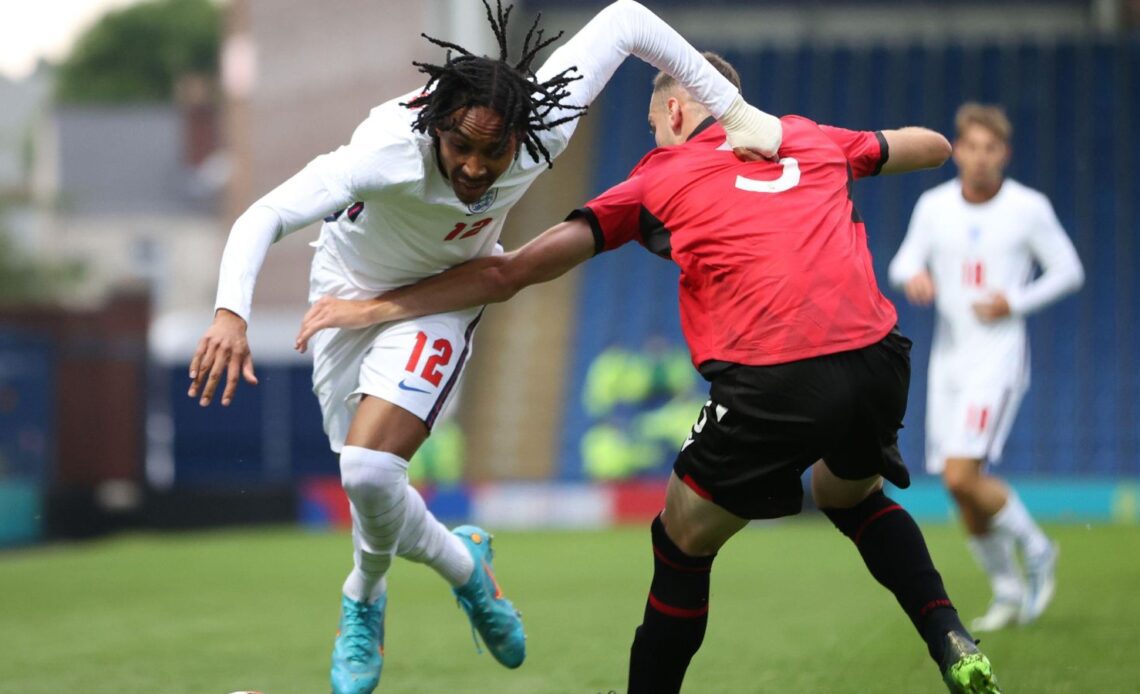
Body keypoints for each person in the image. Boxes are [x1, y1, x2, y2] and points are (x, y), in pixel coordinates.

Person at [295, 53, 1003, 694]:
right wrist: (834, 150)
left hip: (777, 377)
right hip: (879, 357)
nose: (656, 136)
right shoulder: (805, 135)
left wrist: (378, 306)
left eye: (655, 123)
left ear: (674, 109)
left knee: (681, 540)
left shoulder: (659, 176)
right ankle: (952, 641)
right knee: (850, 496)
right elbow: (934, 147)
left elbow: (510, 273)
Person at [186, 2, 782, 692]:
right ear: (435, 127)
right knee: (370, 479)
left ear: (519, 136)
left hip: (444, 294)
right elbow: (264, 214)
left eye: (492, 152)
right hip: (344, 292)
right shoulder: (384, 151)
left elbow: (625, 19)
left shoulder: (541, 127)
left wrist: (734, 114)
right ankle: (466, 564)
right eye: (460, 148)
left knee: (368, 474)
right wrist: (231, 312)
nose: (475, 167)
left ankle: (362, 601)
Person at [888, 102, 1084, 632]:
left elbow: (1069, 270)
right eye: (970, 147)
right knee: (957, 485)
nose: (978, 158)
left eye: (989, 148)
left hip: (997, 357)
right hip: (950, 358)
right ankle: (1008, 589)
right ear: (958, 150)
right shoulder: (934, 206)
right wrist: (916, 277)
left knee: (961, 473)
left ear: (1005, 153)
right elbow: (903, 260)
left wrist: (1014, 301)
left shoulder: (1028, 208)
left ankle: (1038, 548)